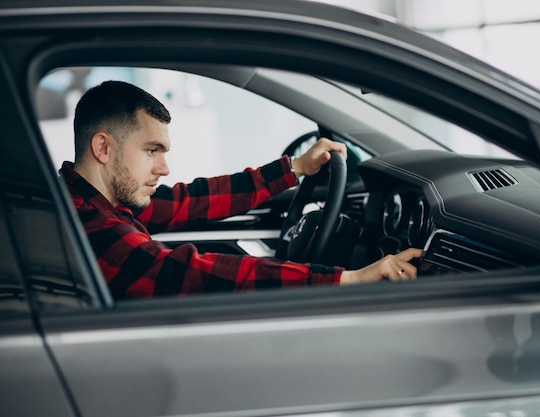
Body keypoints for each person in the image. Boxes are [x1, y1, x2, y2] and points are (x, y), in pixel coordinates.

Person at [60, 80, 422, 300]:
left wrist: (293, 169)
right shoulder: (90, 227)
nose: (164, 168)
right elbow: (191, 274)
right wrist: (348, 278)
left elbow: (190, 201)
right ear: (103, 148)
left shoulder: (100, 201)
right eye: (151, 150)